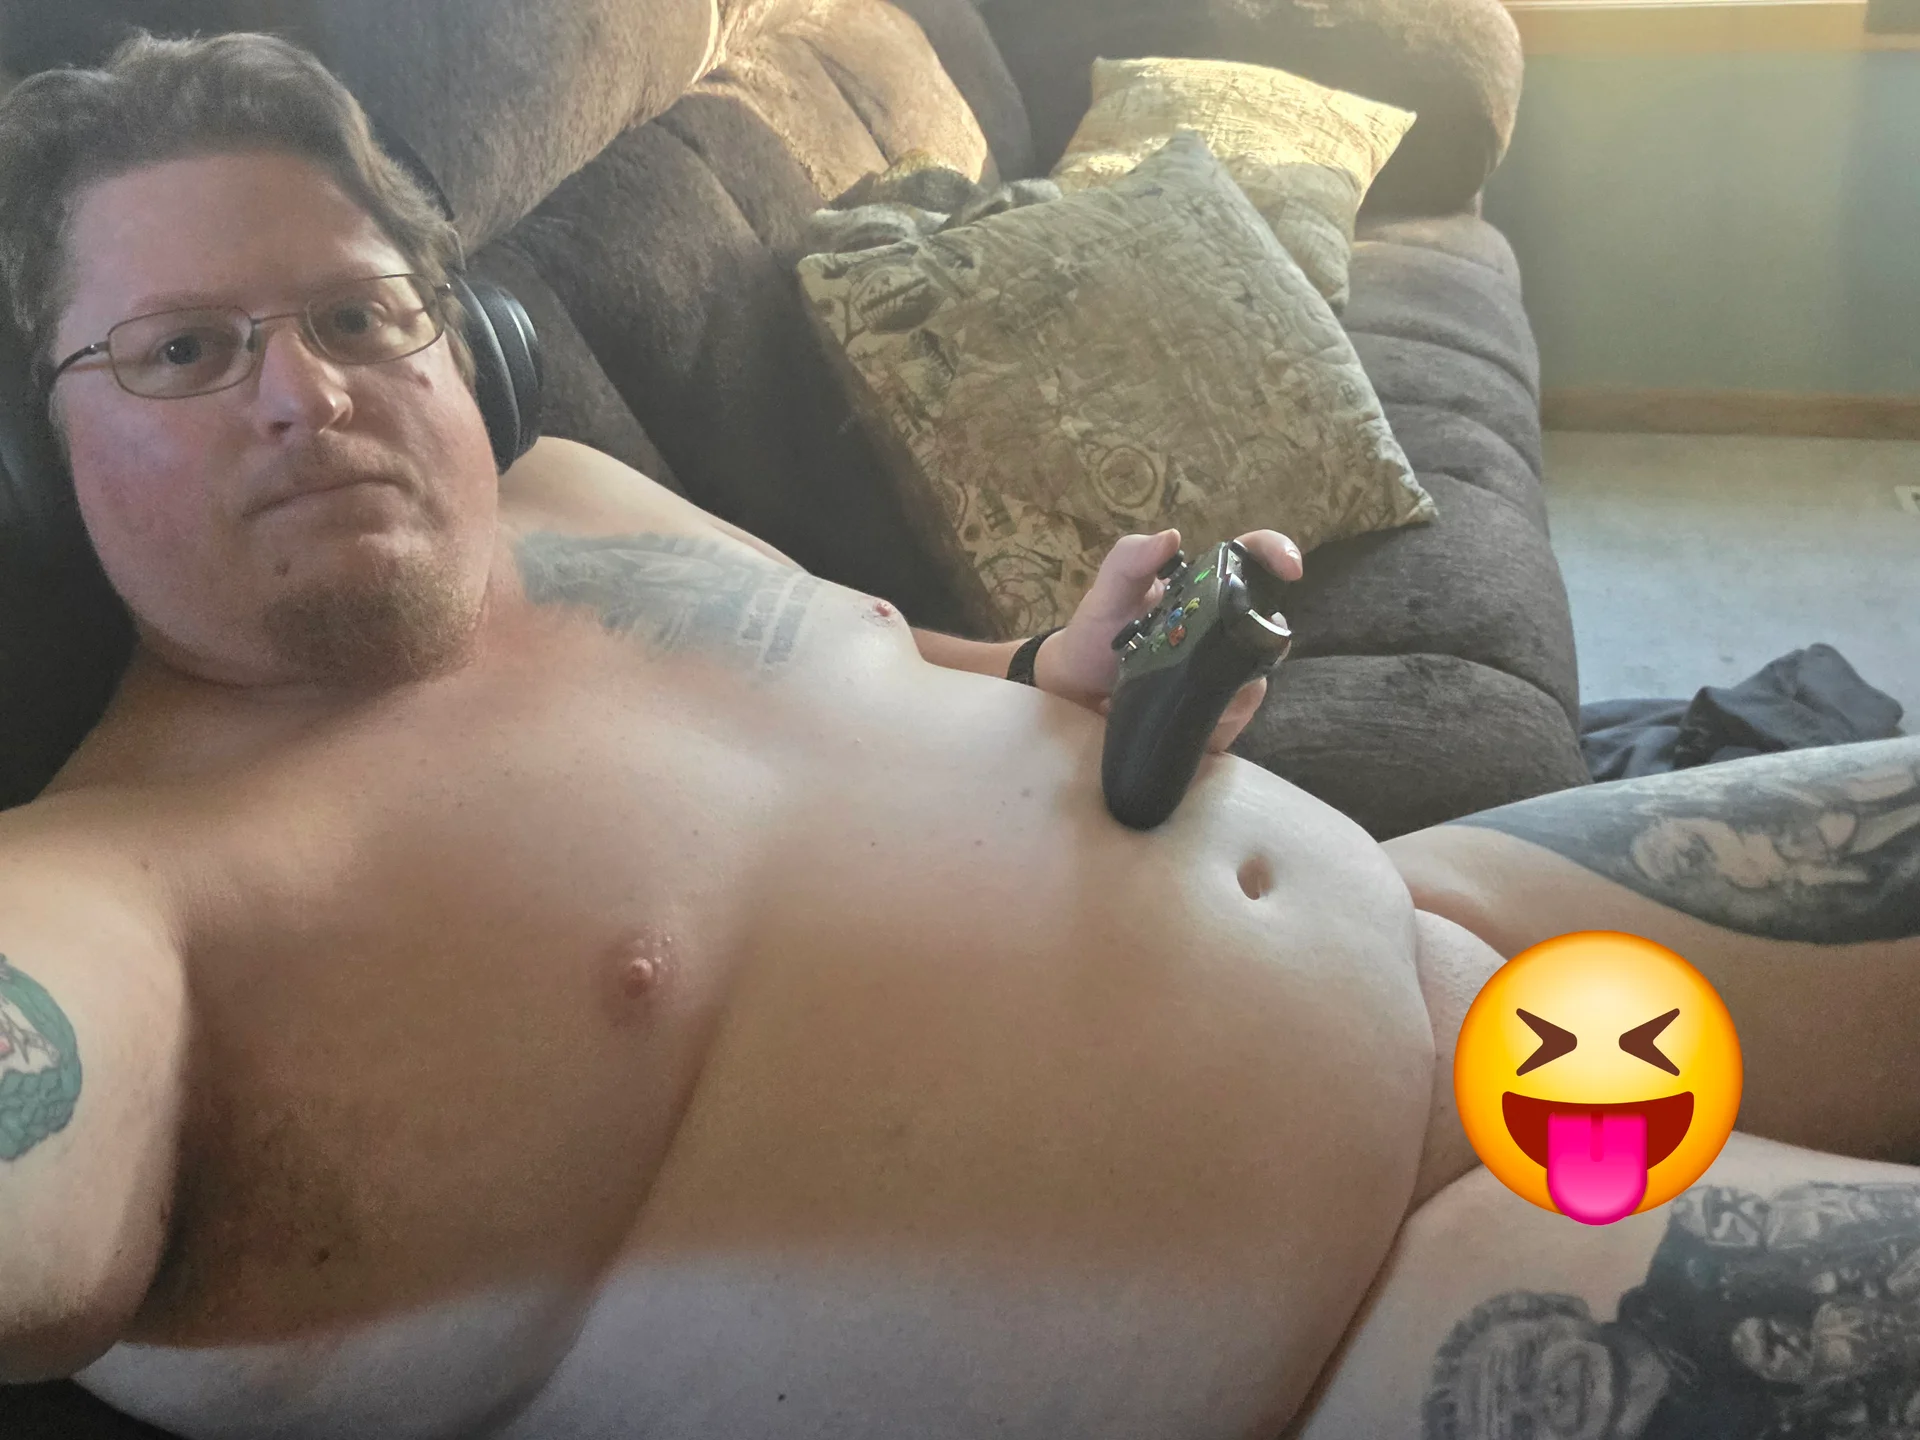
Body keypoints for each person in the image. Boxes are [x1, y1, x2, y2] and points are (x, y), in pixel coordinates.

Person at [0, 29, 1914, 1440]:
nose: (308, 396)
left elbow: (863, 667)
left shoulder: (569, 497)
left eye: (362, 315)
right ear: (37, 441)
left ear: (456, 341)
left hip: (1447, 924)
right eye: (185, 349)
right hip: (1403, 1305)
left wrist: (1052, 668)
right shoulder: (120, 902)